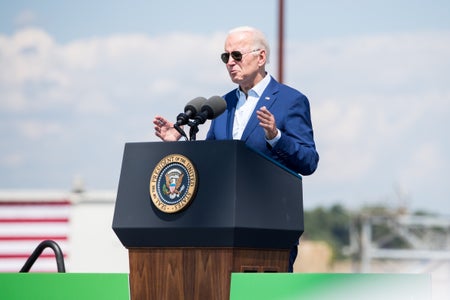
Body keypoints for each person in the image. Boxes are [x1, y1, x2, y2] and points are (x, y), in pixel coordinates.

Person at [153, 26, 319, 272]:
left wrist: (276, 137)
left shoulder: (290, 101)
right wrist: (178, 144)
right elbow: (212, 161)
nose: (230, 63)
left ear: (261, 57)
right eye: (225, 57)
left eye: (237, 56)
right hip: (221, 229)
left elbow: (309, 161)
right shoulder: (222, 104)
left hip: (269, 228)